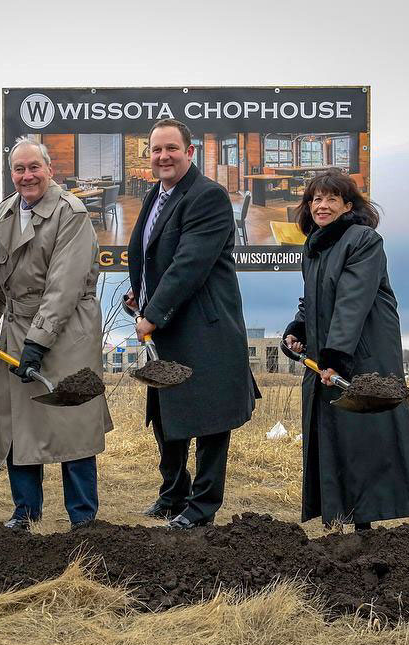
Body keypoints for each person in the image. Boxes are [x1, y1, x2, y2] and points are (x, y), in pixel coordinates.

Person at [126, 119, 259, 529]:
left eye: (171, 148)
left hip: (205, 328)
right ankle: (173, 494)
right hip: (169, 325)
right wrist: (141, 297)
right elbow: (151, 256)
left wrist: (152, 313)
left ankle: (201, 508)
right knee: (167, 414)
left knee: (210, 419)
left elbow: (189, 265)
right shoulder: (156, 194)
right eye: (156, 150)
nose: (163, 156)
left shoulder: (208, 197)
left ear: (190, 152)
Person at [0, 137, 112, 530]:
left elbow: (64, 285)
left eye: (34, 167)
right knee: (19, 424)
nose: (26, 176)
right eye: (19, 169)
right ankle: (25, 512)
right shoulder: (5, 212)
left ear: (49, 169)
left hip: (67, 331)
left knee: (72, 422)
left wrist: (38, 341)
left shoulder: (71, 212)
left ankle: (83, 518)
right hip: (18, 329)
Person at [283, 170, 409, 531]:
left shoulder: (362, 239)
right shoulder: (314, 245)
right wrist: (299, 327)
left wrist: (335, 357)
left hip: (363, 353)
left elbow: (353, 301)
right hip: (332, 353)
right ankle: (337, 518)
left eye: (331, 198)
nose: (322, 205)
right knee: (330, 432)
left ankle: (365, 526)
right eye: (316, 199)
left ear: (348, 205)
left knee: (363, 434)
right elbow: (313, 299)